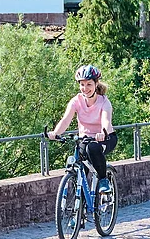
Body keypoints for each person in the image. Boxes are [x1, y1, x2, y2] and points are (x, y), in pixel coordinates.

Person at [48, 64, 116, 192]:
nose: (85, 88)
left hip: (105, 138)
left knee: (93, 148)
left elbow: (106, 121)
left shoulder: (104, 102)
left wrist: (103, 132)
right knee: (79, 164)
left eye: (89, 84)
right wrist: (55, 133)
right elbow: (65, 119)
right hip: (84, 138)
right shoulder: (76, 101)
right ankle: (81, 204)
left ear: (96, 84)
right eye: (82, 85)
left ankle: (103, 180)